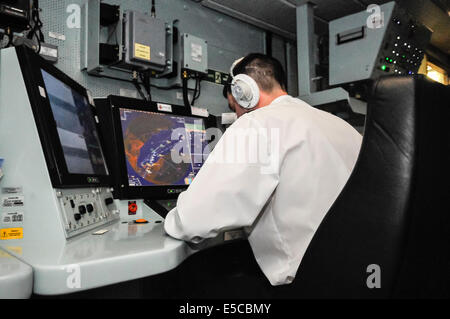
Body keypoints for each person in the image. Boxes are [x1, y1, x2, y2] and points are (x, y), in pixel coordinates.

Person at [164, 53, 362, 286]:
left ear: (243, 92)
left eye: (233, 106)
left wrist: (169, 220)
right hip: (355, 272)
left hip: (307, 282)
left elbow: (193, 221)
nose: (236, 114)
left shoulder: (257, 123)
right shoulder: (343, 127)